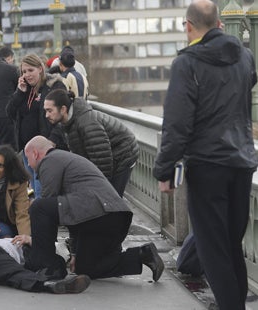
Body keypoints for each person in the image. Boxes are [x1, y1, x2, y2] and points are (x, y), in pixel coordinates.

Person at [153, 1, 257, 308]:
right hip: (241, 162)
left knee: (213, 249)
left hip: (207, 164)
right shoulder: (245, 56)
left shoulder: (187, 63)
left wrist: (164, 170)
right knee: (231, 245)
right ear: (220, 24)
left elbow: (177, 123)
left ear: (188, 25)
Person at [23, 136, 164, 282]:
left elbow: (47, 206)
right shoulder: (68, 159)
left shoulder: (49, 160)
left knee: (39, 207)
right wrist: (75, 253)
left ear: (35, 153)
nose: (29, 164)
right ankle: (142, 254)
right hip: (113, 217)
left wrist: (37, 245)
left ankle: (48, 267)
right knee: (86, 268)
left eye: (27, 159)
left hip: (99, 214)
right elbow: (70, 213)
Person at [44, 88, 138, 197]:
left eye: (50, 110)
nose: (46, 115)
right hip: (109, 153)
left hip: (124, 153)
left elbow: (103, 160)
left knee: (111, 198)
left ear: (63, 109)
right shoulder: (66, 123)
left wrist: (99, 188)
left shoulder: (86, 123)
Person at [6, 54, 68, 198]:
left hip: (45, 149)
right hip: (28, 150)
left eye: (30, 70)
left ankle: (45, 218)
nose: (27, 75)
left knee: (42, 191)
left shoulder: (53, 86)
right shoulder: (25, 90)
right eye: (24, 72)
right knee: (35, 186)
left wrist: (52, 140)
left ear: (40, 69)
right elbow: (10, 113)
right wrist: (19, 93)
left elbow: (63, 117)